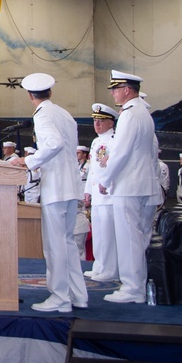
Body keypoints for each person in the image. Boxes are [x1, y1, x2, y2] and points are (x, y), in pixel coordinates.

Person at [9, 73, 87, 313]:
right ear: (50, 92)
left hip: (56, 187)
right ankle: (78, 296)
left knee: (55, 245)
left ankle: (60, 298)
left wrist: (27, 160)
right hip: (71, 186)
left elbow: (53, 144)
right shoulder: (64, 113)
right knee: (68, 243)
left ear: (30, 96)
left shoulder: (43, 115)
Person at [96, 70, 161, 304]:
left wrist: (105, 180)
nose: (113, 93)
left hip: (129, 185)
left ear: (126, 89)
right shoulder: (143, 112)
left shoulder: (130, 115)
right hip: (143, 183)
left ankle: (133, 288)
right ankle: (136, 285)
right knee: (138, 237)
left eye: (115, 88)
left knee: (129, 238)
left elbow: (121, 152)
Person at [83, 103, 119, 282]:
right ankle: (99, 265)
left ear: (110, 123)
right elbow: (93, 170)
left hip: (109, 195)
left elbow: (114, 167)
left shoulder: (115, 140)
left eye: (101, 121)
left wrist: (105, 186)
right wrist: (88, 191)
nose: (96, 124)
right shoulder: (96, 141)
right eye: (95, 121)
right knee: (98, 232)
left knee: (108, 234)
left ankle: (110, 269)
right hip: (97, 195)